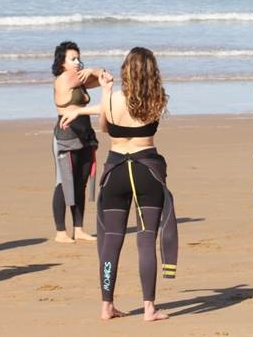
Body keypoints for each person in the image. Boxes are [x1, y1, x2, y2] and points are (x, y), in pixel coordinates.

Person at [62, 47, 178, 322]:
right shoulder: (158, 100)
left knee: (111, 242)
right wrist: (85, 108)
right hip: (146, 171)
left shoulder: (111, 99)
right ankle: (149, 308)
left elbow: (105, 127)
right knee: (146, 239)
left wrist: (98, 96)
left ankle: (106, 306)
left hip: (116, 171)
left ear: (126, 70)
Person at [50, 41, 104, 244]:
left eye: (78, 58)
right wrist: (91, 71)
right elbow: (98, 77)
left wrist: (93, 71)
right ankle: (60, 232)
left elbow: (105, 77)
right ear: (62, 63)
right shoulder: (64, 79)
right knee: (64, 183)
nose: (77, 62)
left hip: (85, 136)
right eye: (72, 59)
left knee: (81, 182)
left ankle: (79, 229)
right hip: (66, 137)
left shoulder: (80, 79)